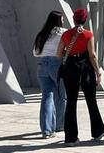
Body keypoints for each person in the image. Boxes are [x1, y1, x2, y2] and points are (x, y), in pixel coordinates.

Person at [58, 8, 104, 145]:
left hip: (70, 69)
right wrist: (98, 72)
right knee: (91, 101)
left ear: (73, 19)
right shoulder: (88, 34)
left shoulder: (66, 34)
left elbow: (58, 53)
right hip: (85, 69)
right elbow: (92, 55)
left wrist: (70, 57)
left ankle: (71, 138)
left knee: (71, 102)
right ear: (85, 20)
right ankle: (98, 131)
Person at [33, 10, 67, 139]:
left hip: (42, 65)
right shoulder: (63, 33)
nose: (63, 21)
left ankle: (47, 130)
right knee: (61, 96)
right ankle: (59, 125)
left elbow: (36, 53)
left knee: (47, 97)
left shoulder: (42, 34)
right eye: (62, 19)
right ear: (59, 20)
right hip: (57, 64)